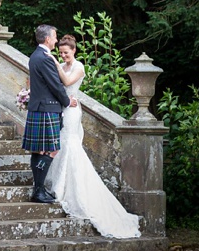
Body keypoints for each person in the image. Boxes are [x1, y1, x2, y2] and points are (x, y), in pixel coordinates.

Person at [44, 34, 141, 238]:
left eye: (66, 53)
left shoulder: (78, 67)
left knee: (70, 145)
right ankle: (58, 185)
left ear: (74, 51)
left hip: (71, 111)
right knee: (60, 144)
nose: (63, 56)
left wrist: (54, 62)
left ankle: (68, 189)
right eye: (60, 53)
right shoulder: (63, 64)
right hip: (61, 109)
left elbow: (68, 81)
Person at [21, 25, 77, 203]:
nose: (55, 39)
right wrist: (67, 102)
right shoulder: (45, 58)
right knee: (52, 149)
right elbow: (55, 85)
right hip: (47, 109)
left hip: (40, 108)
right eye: (54, 36)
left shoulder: (35, 56)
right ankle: (38, 190)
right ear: (47, 39)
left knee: (38, 151)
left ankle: (38, 189)